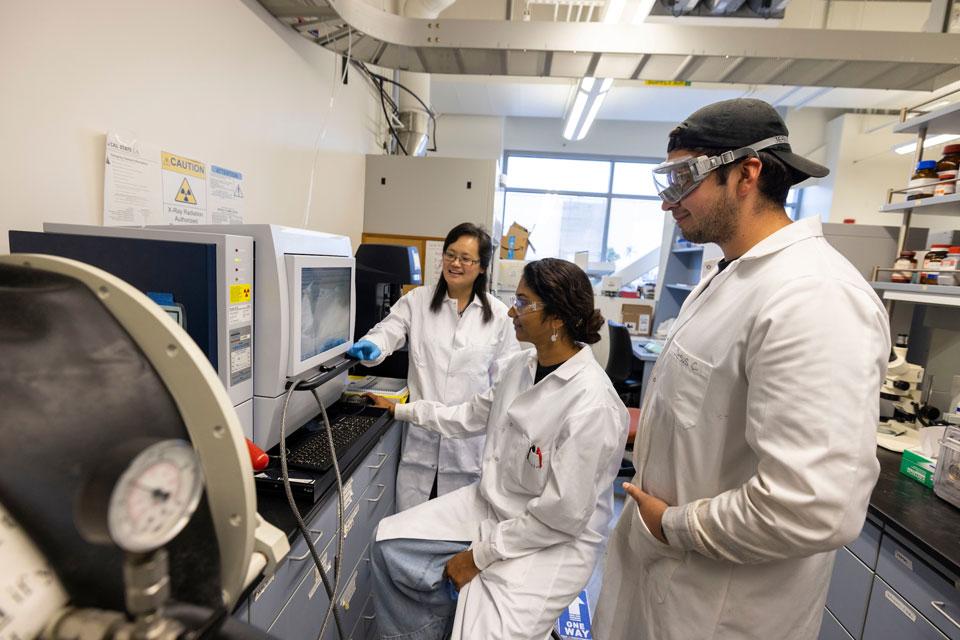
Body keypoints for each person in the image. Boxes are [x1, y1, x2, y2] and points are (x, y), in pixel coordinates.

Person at [594, 99, 890, 640]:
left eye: (684, 178)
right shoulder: (730, 276)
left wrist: (674, 525)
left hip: (719, 612)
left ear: (746, 173)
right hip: (663, 583)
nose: (669, 201)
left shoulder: (814, 296)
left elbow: (814, 506)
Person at [365, 258, 629, 640]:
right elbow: (470, 414)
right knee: (388, 544)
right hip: (492, 504)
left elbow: (562, 517)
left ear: (556, 318)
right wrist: (403, 409)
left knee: (482, 635)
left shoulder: (592, 405)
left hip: (552, 541)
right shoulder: (522, 366)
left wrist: (477, 557)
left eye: (522, 303)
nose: (510, 311)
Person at [348, 223, 519, 511]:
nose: (455, 263)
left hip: (467, 450)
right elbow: (389, 329)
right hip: (420, 446)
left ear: (481, 267)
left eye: (466, 258)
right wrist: (373, 345)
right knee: (410, 533)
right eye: (450, 254)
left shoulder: (499, 316)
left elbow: (505, 385)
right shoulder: (418, 301)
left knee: (456, 542)